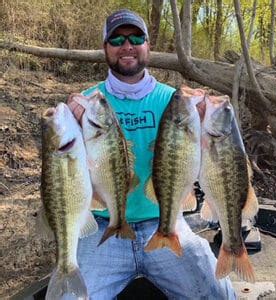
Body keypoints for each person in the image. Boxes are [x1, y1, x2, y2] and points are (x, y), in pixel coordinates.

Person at [68, 9, 236, 300]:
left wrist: (207, 119)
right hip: (102, 229)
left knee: (219, 294)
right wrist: (68, 125)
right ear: (105, 48)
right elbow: (63, 167)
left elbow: (218, 155)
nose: (127, 45)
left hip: (166, 220)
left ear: (149, 45)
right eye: (117, 39)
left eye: (136, 37)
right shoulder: (86, 104)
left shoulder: (177, 101)